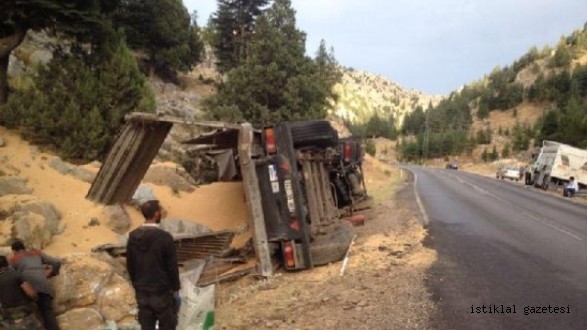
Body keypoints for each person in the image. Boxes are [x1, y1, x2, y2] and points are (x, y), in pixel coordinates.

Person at [127, 200, 181, 330]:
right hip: (161, 291)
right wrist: (175, 289)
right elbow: (172, 266)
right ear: (156, 214)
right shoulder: (165, 238)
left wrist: (137, 285)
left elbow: (130, 264)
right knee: (168, 325)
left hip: (142, 291)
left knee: (146, 326)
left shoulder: (133, 237)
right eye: (160, 211)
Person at [10, 240, 61, 330]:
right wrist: (52, 273)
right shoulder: (37, 253)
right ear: (23, 247)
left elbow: (12, 276)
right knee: (47, 313)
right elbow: (56, 262)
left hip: (28, 288)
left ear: (14, 251)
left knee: (28, 314)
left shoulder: (14, 259)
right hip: (43, 285)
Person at [0, 255, 44, 329]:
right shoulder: (16, 275)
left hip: (7, 313)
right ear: (6, 263)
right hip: (24, 310)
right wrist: (36, 299)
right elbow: (31, 293)